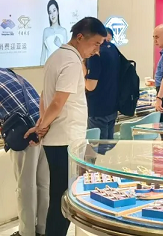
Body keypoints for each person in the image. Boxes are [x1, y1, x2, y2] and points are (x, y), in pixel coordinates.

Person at [27, 17, 106, 236]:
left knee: (59, 196)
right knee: (64, 199)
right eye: (96, 43)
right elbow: (57, 102)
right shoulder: (71, 62)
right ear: (80, 37)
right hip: (66, 139)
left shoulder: (56, 56)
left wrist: (42, 124)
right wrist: (41, 127)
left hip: (60, 138)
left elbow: (44, 96)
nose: (97, 50)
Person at [0, 69, 49, 236]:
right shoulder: (9, 73)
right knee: (43, 183)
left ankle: (26, 232)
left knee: (25, 186)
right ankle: (42, 229)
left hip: (25, 135)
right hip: (43, 128)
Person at [85, 31, 120, 139]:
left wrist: (82, 68)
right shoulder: (113, 49)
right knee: (109, 144)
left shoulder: (95, 55)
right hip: (112, 106)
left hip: (98, 109)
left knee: (98, 146)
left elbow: (90, 86)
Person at [40, 0, 67, 65]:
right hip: (49, 66)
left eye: (54, 11)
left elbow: (66, 54)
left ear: (58, 11)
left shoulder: (63, 31)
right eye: (50, 12)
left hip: (61, 66)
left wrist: (60, 45)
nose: (52, 15)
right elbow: (43, 54)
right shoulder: (46, 31)